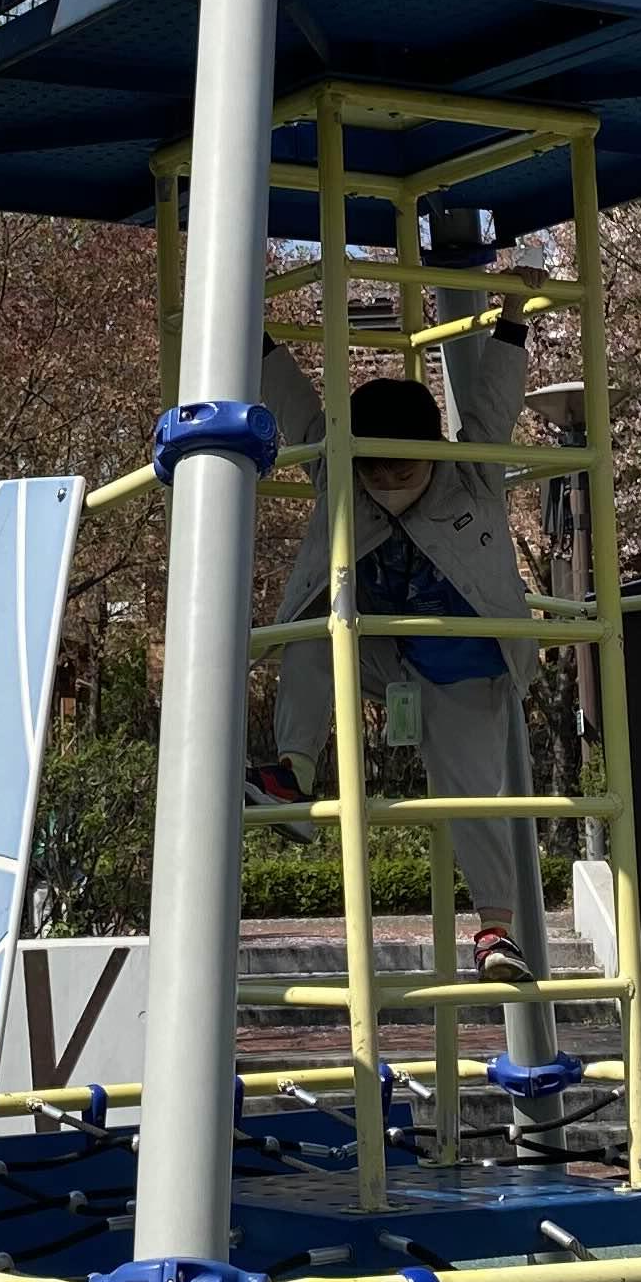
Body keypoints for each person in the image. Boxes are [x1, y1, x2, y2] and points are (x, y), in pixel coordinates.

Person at [253, 272, 547, 1002]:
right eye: (375, 467)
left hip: (461, 661)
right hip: (378, 646)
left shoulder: (468, 474)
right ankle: (295, 768)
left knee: (470, 793)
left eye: (403, 466)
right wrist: (247, 326)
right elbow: (295, 402)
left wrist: (514, 312)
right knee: (312, 632)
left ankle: (496, 930)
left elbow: (494, 403)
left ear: (432, 452)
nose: (387, 480)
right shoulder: (338, 470)